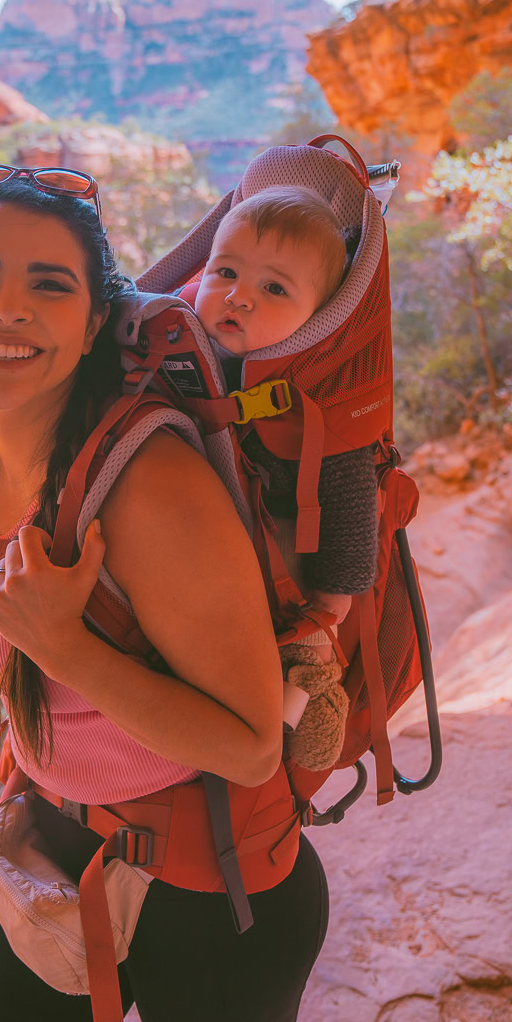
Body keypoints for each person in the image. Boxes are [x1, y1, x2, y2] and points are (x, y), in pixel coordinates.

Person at [0, 172, 329, 1021]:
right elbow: (19, 639)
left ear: (94, 321)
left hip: (211, 894)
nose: (6, 309)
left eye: (48, 285)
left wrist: (69, 649)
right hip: (58, 845)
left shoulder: (150, 485)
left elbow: (248, 749)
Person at [193, 185, 379, 770]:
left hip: (294, 589)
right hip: (204, 570)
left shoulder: (308, 409)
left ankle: (306, 712)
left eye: (274, 288)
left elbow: (351, 500)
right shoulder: (178, 357)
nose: (237, 296)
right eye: (224, 272)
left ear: (316, 318)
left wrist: (333, 600)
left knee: (301, 659)